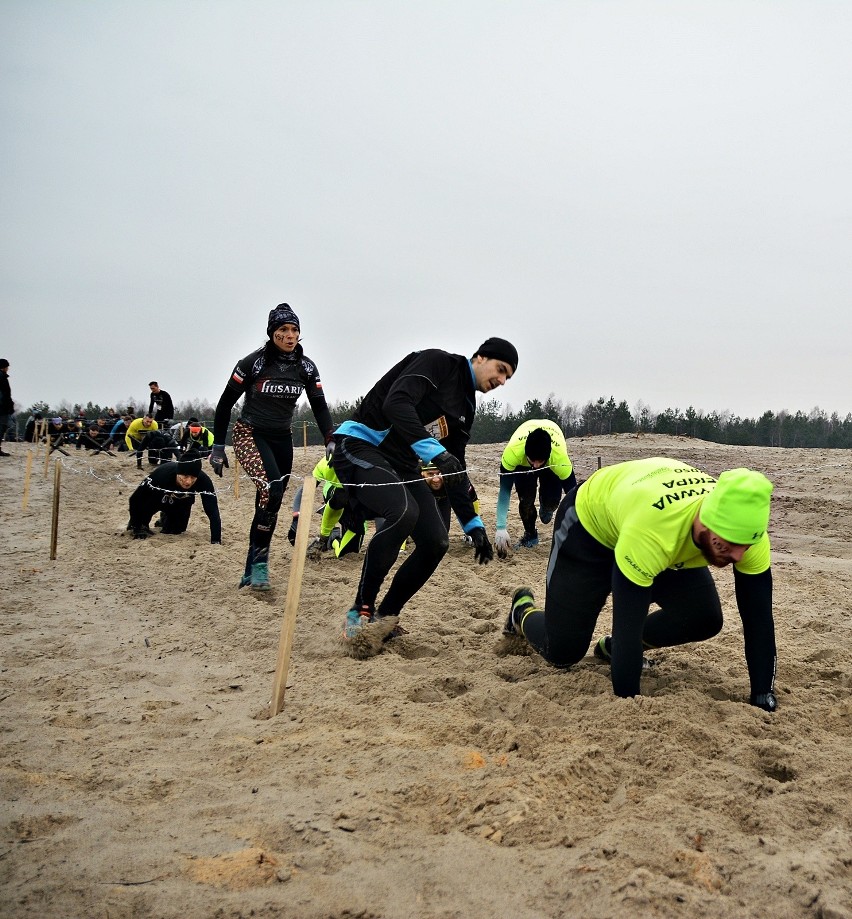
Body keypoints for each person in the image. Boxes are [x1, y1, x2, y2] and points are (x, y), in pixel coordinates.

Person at [504, 458, 778, 712]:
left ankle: (607, 649)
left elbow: (760, 621)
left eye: (745, 546)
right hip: (590, 528)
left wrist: (762, 696)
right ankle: (522, 612)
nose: (738, 556)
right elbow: (627, 625)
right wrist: (630, 706)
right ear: (706, 520)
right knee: (563, 652)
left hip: (648, 526)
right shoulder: (656, 530)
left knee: (703, 618)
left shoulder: (746, 535)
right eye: (726, 545)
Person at [331, 337, 518, 643]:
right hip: (363, 444)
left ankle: (385, 617)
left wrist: (474, 525)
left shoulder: (466, 407)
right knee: (404, 512)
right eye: (501, 369)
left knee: (436, 541)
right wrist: (435, 452)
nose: (501, 380)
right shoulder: (438, 363)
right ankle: (360, 610)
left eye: (507, 377)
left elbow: (456, 467)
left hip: (402, 466)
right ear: (480, 358)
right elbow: (396, 402)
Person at [210, 303, 334, 591]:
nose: (290, 335)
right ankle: (261, 564)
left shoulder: (306, 367)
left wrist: (330, 436)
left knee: (270, 501)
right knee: (272, 490)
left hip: (281, 437)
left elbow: (319, 405)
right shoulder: (252, 363)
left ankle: (250, 569)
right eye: (283, 330)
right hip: (249, 433)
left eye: (294, 330)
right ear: (272, 333)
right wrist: (217, 445)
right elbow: (224, 404)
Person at [494, 419, 577, 555]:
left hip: (551, 462)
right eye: (533, 461)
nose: (536, 466)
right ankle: (530, 534)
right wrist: (501, 527)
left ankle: (546, 507)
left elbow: (574, 496)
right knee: (525, 500)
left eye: (540, 462)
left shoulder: (559, 459)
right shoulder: (513, 453)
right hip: (522, 463)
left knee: (552, 501)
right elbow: (504, 490)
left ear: (548, 457)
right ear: (526, 454)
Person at [128, 450, 221, 542]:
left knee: (176, 530)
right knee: (141, 523)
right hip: (156, 499)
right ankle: (141, 523)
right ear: (178, 473)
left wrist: (216, 540)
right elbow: (135, 499)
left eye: (193, 477)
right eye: (185, 476)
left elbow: (212, 510)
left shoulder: (203, 480)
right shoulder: (161, 474)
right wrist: (136, 526)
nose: (188, 482)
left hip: (181, 502)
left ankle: (164, 519)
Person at [0, 360, 11, 456]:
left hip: (3, 406)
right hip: (2, 408)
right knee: (1, 427)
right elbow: (4, 394)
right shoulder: (2, 377)